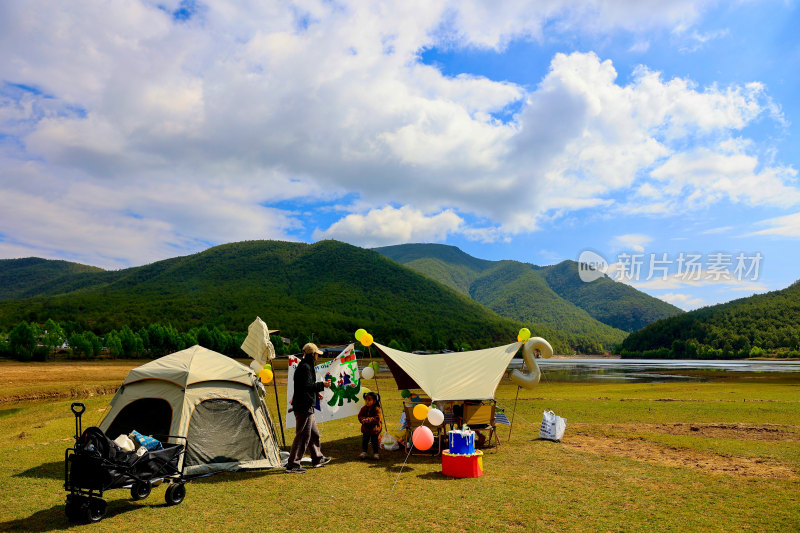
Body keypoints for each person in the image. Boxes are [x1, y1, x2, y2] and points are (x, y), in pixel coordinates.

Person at [285, 343, 332, 474]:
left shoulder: (307, 366)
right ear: (312, 354)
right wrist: (322, 385)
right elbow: (307, 386)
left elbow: (306, 386)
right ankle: (293, 464)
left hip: (306, 404)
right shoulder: (305, 367)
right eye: (317, 353)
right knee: (302, 436)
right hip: (303, 406)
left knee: (314, 434)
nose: (318, 356)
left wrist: (316, 393)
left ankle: (317, 459)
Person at [358, 391, 382, 459]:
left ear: (374, 401)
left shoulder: (377, 409)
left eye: (369, 400)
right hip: (365, 429)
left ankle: (376, 453)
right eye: (366, 400)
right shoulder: (363, 408)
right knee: (365, 441)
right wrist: (362, 420)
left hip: (374, 429)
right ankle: (364, 452)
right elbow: (360, 416)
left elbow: (377, 418)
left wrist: (368, 420)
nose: (367, 402)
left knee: (374, 441)